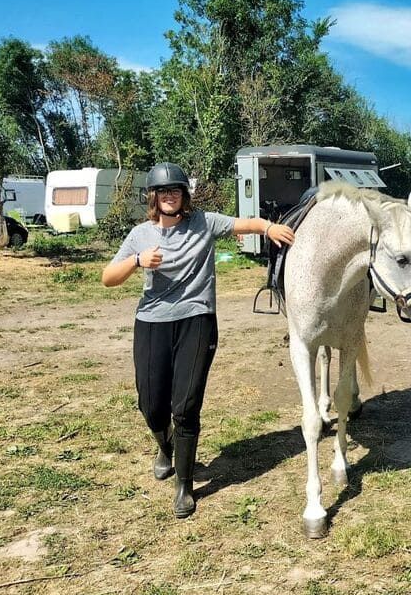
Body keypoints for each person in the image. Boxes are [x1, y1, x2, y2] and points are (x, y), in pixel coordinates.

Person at [102, 162, 294, 518]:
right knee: (151, 406)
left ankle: (184, 485)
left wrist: (269, 227)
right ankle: (165, 445)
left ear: (184, 196)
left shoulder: (203, 222)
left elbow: (243, 223)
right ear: (154, 198)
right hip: (152, 322)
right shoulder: (140, 235)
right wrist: (138, 262)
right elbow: (107, 278)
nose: (169, 196)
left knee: (185, 406)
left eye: (175, 190)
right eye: (162, 192)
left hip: (197, 320)